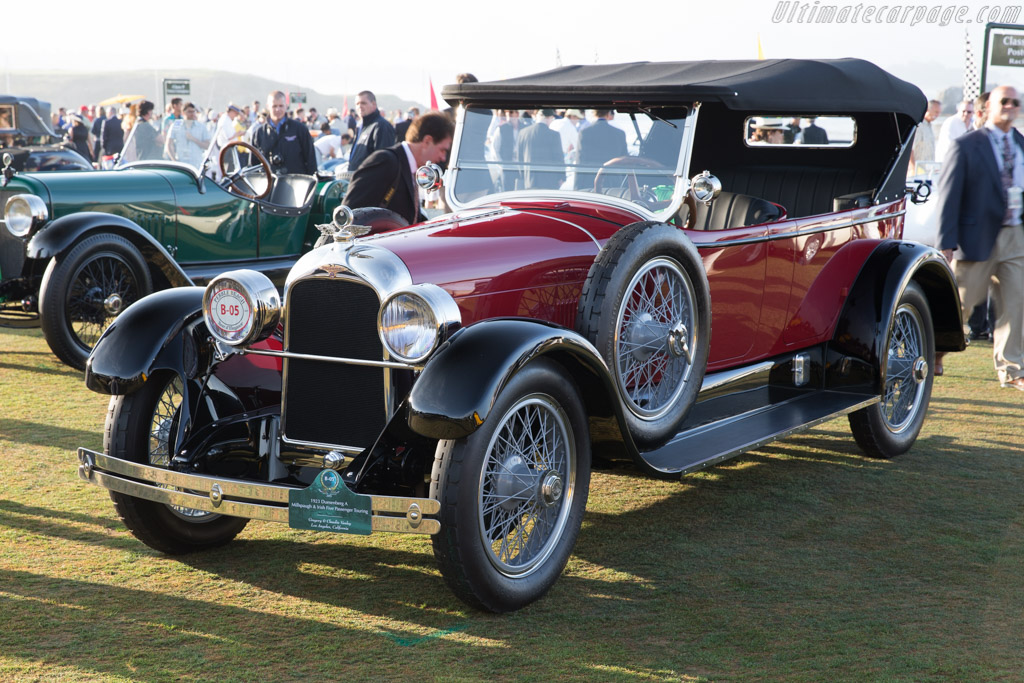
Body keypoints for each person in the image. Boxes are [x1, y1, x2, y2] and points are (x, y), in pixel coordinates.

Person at [935, 84, 1024, 390]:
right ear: (987, 108)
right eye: (1004, 101)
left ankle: (1012, 370)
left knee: (1015, 302)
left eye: (1015, 102)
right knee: (962, 304)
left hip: (1015, 236)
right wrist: (946, 242)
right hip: (976, 238)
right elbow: (949, 195)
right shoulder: (966, 145)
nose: (1011, 106)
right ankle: (935, 351)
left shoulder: (1021, 143)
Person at [342, 111, 454, 224]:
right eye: (442, 150)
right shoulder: (385, 161)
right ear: (427, 141)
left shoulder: (407, 167)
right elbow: (348, 215)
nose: (443, 158)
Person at [251, 91, 316, 175]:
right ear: (268, 106)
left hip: (297, 183)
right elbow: (253, 166)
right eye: (274, 106)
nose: (278, 109)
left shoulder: (300, 129)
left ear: (286, 106)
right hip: (270, 184)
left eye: (281, 106)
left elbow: (311, 159)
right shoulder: (259, 133)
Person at [575, 109, 627, 191]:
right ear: (608, 113)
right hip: (614, 181)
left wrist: (577, 187)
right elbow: (624, 161)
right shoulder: (619, 133)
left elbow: (580, 161)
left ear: (593, 113)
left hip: (590, 181)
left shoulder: (584, 133)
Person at [347, 90, 396, 173]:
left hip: (369, 181)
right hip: (356, 179)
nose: (360, 106)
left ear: (373, 104)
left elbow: (384, 161)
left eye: (363, 103)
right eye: (357, 104)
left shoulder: (381, 126)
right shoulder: (361, 126)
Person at [515, 108, 564, 190]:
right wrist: (561, 178)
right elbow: (559, 159)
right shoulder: (554, 135)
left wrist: (523, 177)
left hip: (529, 182)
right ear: (549, 117)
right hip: (550, 183)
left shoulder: (523, 133)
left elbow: (519, 159)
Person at [165, 102, 211, 168]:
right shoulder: (176, 124)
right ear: (183, 113)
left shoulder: (201, 126)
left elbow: (207, 146)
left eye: (193, 111)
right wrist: (174, 160)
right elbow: (169, 144)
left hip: (196, 164)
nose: (192, 114)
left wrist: (194, 139)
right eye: (189, 112)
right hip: (181, 163)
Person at [908, 100, 940, 172]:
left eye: (939, 113)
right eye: (936, 112)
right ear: (927, 110)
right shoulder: (919, 126)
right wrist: (913, 168)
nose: (937, 115)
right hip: (917, 170)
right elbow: (910, 148)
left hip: (928, 170)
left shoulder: (930, 126)